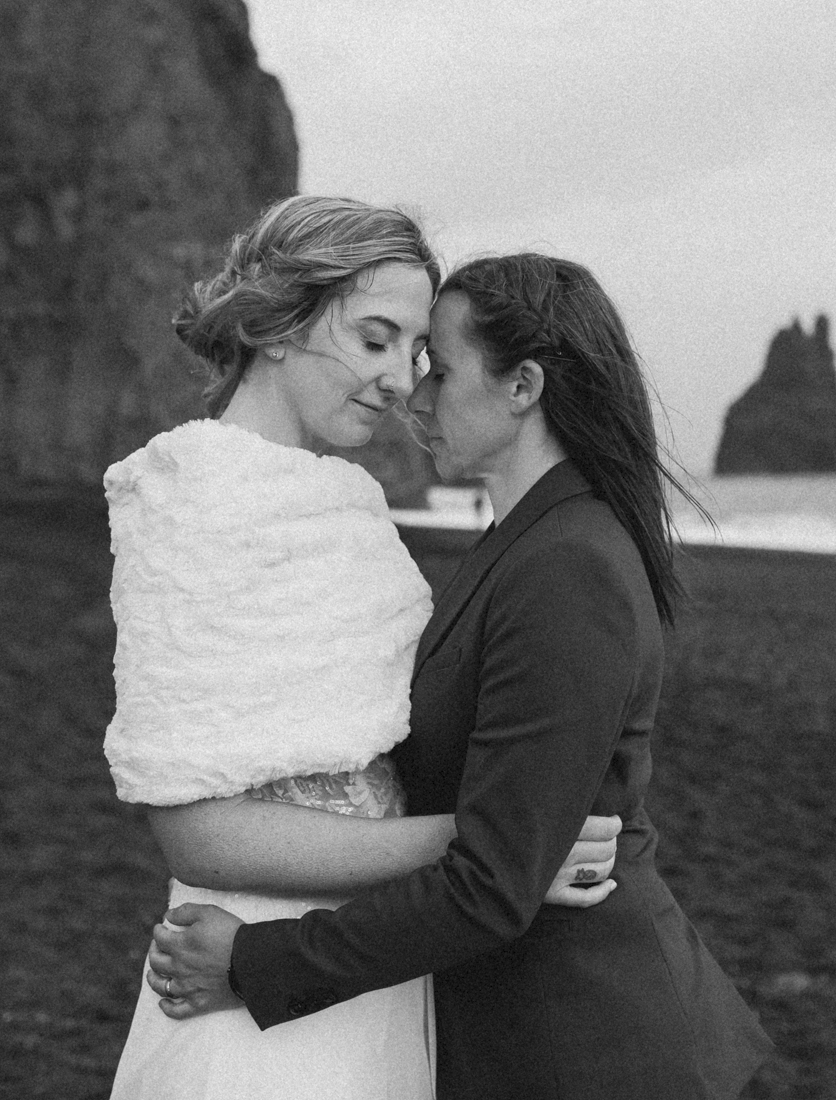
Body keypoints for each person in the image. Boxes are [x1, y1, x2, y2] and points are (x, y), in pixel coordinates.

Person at [148, 252, 776, 1099]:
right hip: (518, 1028)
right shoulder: (527, 542)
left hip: (590, 1041)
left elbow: (490, 887)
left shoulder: (568, 564)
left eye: (439, 370)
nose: (416, 395)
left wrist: (253, 961)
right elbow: (503, 852)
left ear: (523, 387)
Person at [103, 204, 621, 1100]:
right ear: (276, 322)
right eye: (374, 339)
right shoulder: (191, 498)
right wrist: (500, 846)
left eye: (414, 354)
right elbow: (195, 832)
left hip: (372, 959)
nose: (397, 382)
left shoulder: (347, 500)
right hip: (252, 971)